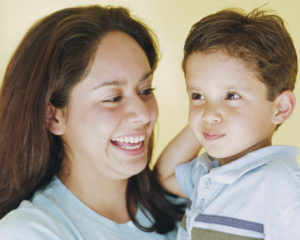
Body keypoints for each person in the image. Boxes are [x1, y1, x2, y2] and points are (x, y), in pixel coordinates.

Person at [0, 5, 199, 239]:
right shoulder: (28, 232)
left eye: (146, 90)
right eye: (112, 98)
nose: (144, 115)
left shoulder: (187, 203)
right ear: (53, 117)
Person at [156, 8, 300, 239]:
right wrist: (203, 119)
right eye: (197, 95)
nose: (209, 114)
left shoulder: (284, 188)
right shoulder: (207, 174)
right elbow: (164, 177)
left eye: (232, 96)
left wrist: (207, 112)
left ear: (280, 107)